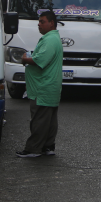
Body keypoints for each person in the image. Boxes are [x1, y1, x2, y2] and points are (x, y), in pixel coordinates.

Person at [16, 10, 64, 158]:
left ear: (52, 23)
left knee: (39, 120)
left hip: (43, 87)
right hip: (49, 86)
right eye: (39, 22)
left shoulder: (50, 40)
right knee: (48, 120)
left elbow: (39, 60)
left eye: (42, 22)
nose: (39, 24)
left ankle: (33, 149)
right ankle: (47, 147)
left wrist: (25, 59)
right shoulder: (52, 38)